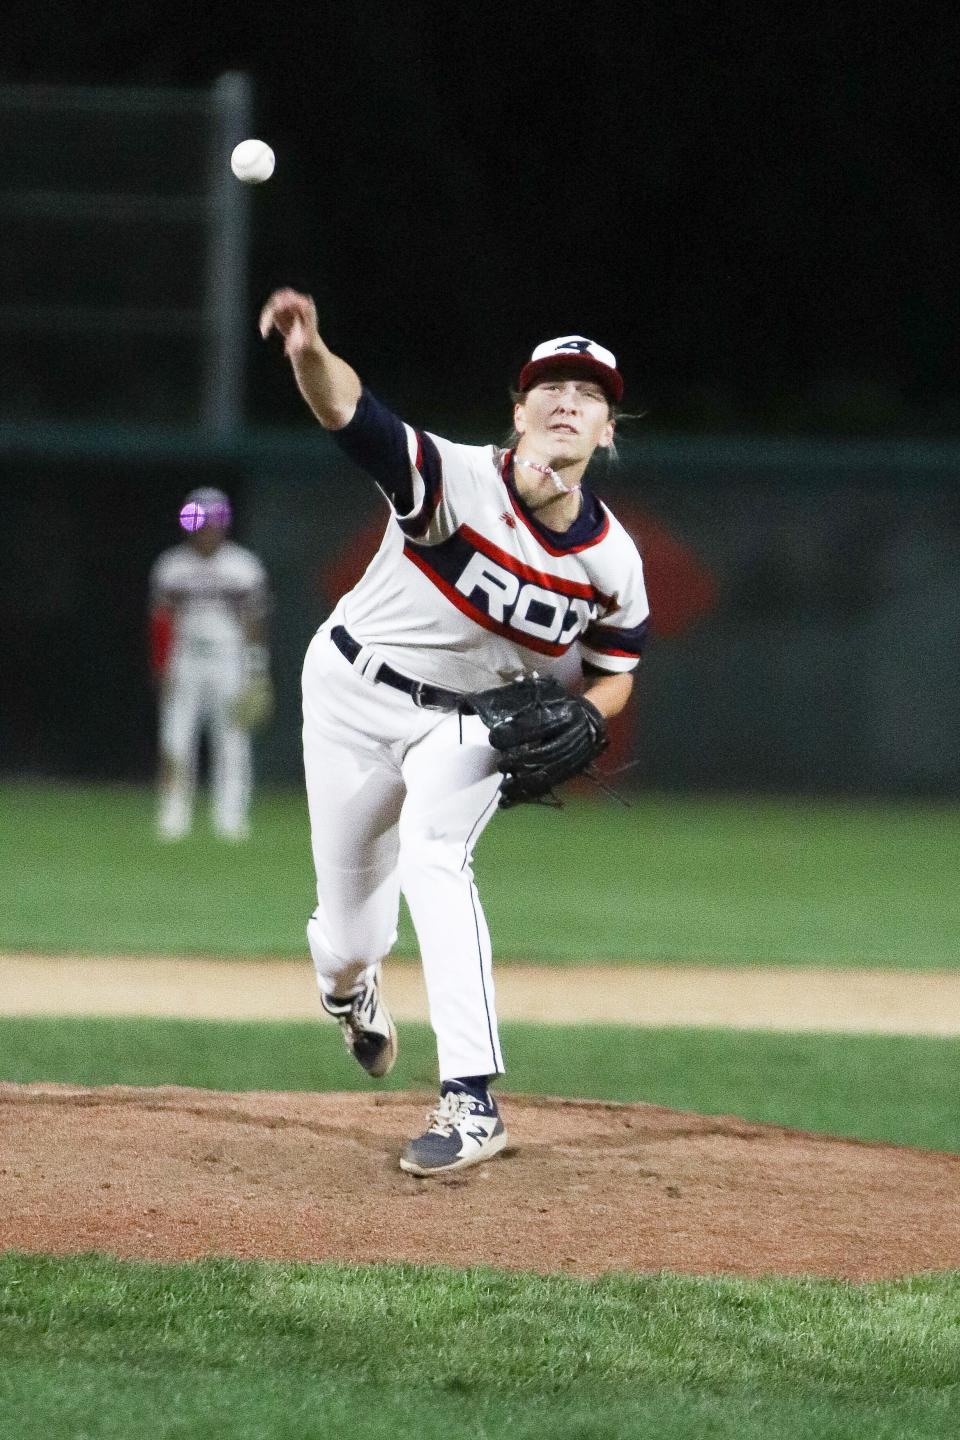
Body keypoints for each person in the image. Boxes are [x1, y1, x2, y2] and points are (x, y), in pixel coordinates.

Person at [259, 289, 650, 1176]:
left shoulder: (610, 562)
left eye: (587, 394)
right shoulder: (450, 477)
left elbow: (617, 668)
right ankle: (347, 990)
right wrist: (308, 350)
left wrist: (593, 711)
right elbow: (347, 411)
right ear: (519, 412)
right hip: (353, 694)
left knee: (437, 855)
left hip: (467, 727)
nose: (565, 401)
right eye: (549, 385)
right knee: (351, 932)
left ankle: (471, 1102)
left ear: (606, 431)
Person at [148, 487, 272, 842]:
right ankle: (174, 813)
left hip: (228, 659)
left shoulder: (242, 565)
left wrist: (256, 668)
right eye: (197, 520)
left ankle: (230, 816)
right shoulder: (171, 565)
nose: (205, 529)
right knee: (175, 736)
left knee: (231, 738)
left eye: (212, 520)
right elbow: (161, 620)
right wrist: (161, 665)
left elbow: (255, 621)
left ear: (224, 523)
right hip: (184, 658)